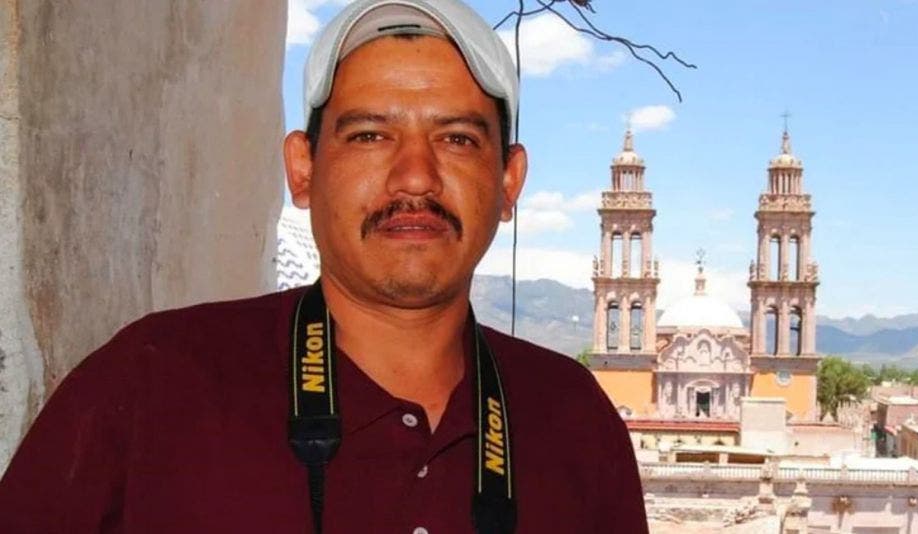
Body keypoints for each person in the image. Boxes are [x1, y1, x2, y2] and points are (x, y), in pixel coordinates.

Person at [0, 0, 648, 532]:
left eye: (457, 138)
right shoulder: (155, 382)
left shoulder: (573, 420)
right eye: (369, 135)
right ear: (303, 169)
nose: (415, 176)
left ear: (508, 183)